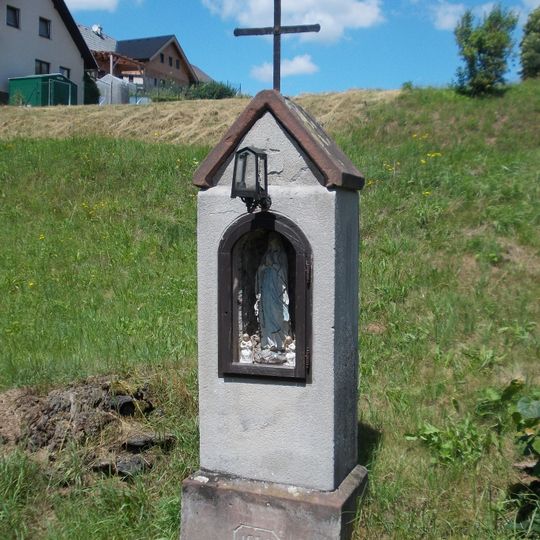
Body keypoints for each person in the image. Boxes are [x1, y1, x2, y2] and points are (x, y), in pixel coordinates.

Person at [255, 234, 290, 351]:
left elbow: (284, 271)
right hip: (266, 289)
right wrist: (264, 267)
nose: (272, 244)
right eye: (271, 243)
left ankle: (280, 343)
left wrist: (274, 266)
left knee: (277, 313)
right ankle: (269, 342)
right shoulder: (266, 255)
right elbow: (259, 271)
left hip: (277, 289)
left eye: (274, 242)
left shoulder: (282, 255)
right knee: (267, 312)